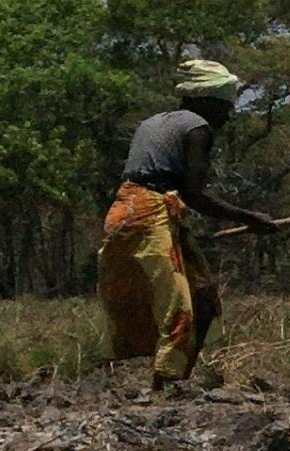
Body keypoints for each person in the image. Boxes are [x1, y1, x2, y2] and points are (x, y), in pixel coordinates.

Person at [99, 59, 279, 399]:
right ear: (206, 100)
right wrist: (249, 218)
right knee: (180, 306)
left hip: (128, 211)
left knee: (203, 295)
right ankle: (165, 388)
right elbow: (194, 194)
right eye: (225, 107)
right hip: (148, 213)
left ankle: (176, 380)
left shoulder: (154, 121)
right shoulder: (198, 128)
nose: (227, 115)